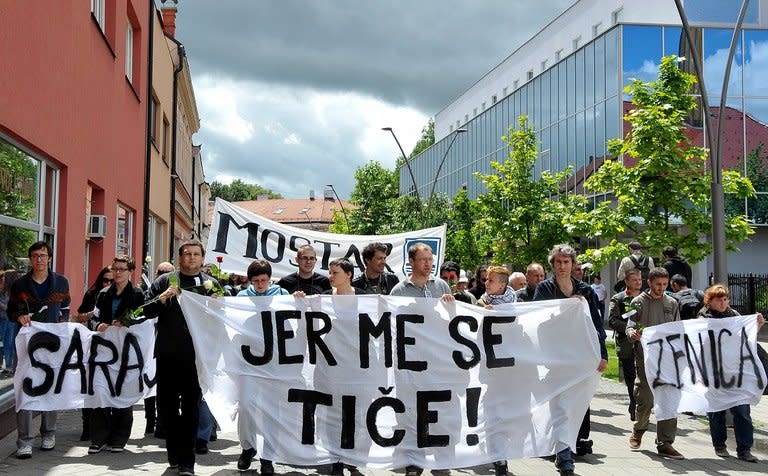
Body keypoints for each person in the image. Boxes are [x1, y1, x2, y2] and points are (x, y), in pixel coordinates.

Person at [143, 240, 220, 476]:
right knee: (166, 409)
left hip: (195, 358)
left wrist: (217, 305)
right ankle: (174, 454)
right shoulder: (165, 281)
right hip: (167, 355)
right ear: (179, 257)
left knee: (190, 409)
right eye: (187, 254)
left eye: (196, 254)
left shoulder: (211, 285)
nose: (191, 258)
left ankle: (187, 462)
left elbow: (223, 317)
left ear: (202, 258)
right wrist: (162, 298)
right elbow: (144, 310)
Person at [533, 244, 608, 476]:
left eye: (566, 262)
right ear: (553, 264)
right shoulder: (544, 289)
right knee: (560, 406)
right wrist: (565, 309)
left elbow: (597, 325)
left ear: (573, 264)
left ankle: (562, 448)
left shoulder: (586, 290)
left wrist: (603, 353)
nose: (563, 266)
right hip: (554, 358)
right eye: (558, 262)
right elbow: (536, 319)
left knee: (574, 405)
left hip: (581, 359)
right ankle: (564, 457)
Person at [390, 243, 454, 476]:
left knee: (437, 410)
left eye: (430, 260)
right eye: (423, 260)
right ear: (412, 262)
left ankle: (439, 459)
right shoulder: (399, 291)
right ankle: (413, 461)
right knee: (411, 412)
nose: (428, 264)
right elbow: (394, 327)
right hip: (412, 363)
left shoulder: (441, 286)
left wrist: (450, 308)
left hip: (436, 362)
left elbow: (452, 323)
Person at [8, 241, 71, 459]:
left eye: (43, 255)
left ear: (49, 258)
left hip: (52, 344)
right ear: (31, 259)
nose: (39, 259)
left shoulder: (61, 283)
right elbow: (10, 312)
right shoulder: (19, 285)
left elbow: (65, 310)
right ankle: (24, 440)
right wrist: (19, 316)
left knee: (50, 387)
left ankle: (48, 433)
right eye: (35, 256)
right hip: (26, 345)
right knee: (24, 389)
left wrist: (64, 326)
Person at [84, 255, 145, 454]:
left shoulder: (137, 294)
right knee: (100, 392)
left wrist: (127, 322)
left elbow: (143, 318)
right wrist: (98, 325)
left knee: (122, 392)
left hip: (127, 354)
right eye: (115, 269)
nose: (117, 273)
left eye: (122, 269)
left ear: (130, 272)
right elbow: (93, 319)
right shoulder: (103, 294)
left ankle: (119, 438)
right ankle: (99, 438)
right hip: (104, 352)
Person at [697, 284, 764, 462]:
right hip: (714, 373)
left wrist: (756, 326)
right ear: (709, 301)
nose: (723, 303)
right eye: (719, 299)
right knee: (717, 411)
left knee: (742, 411)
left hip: (736, 373)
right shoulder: (703, 318)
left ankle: (744, 449)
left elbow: (745, 339)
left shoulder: (735, 317)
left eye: (725, 299)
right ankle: (719, 446)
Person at [626, 267, 683, 459]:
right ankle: (639, 430)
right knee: (646, 398)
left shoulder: (672, 303)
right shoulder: (637, 302)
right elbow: (629, 324)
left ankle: (665, 442)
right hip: (645, 359)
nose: (661, 288)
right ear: (649, 283)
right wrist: (631, 333)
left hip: (667, 360)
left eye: (664, 284)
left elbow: (677, 329)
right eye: (657, 284)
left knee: (668, 398)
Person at [236, 259, 287, 473]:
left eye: (264, 280)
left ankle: (269, 455)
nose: (260, 285)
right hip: (248, 360)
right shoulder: (240, 297)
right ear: (249, 280)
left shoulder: (281, 295)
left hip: (273, 361)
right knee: (246, 406)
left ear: (270, 279)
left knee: (272, 410)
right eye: (256, 281)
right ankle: (248, 447)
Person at [73, 265, 113, 441]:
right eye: (105, 280)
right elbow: (79, 316)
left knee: (107, 388)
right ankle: (87, 425)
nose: (108, 283)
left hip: (112, 348)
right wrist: (92, 314)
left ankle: (106, 426)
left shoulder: (119, 295)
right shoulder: (92, 294)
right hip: (92, 345)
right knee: (89, 387)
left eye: (112, 280)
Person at [607, 269, 643, 422]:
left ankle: (642, 403)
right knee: (630, 376)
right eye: (634, 280)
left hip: (643, 342)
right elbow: (613, 321)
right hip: (626, 342)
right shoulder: (619, 298)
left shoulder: (645, 297)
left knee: (643, 374)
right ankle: (633, 402)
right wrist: (630, 329)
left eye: (640, 280)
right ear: (627, 281)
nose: (638, 282)